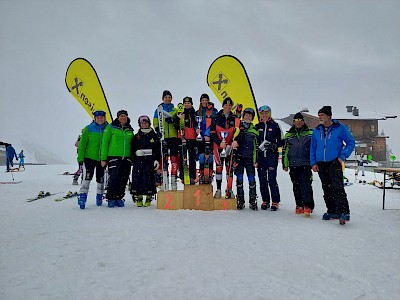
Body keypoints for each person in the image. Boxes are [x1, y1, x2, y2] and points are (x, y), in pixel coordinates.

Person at [310, 106, 355, 224]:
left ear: (329, 116)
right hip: (321, 164)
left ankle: (343, 212)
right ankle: (332, 211)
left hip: (334, 162)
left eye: (322, 115)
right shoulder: (317, 130)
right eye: (319, 115)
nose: (320, 117)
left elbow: (350, 142)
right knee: (326, 188)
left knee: (337, 187)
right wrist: (313, 162)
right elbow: (313, 147)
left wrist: (343, 156)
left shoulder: (340, 128)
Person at [282, 112, 315, 216]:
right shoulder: (288, 135)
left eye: (300, 120)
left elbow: (313, 149)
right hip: (293, 164)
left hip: (305, 164)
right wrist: (285, 164)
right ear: (293, 122)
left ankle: (308, 206)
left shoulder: (310, 133)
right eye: (296, 121)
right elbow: (285, 150)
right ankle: (299, 205)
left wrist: (314, 162)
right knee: (296, 185)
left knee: (306, 185)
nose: (298, 123)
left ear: (303, 121)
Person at [101, 110, 134, 208]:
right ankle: (111, 198)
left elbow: (132, 145)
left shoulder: (129, 129)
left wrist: (132, 158)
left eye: (125, 116)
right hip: (114, 157)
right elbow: (105, 143)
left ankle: (119, 197)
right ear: (118, 117)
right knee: (114, 178)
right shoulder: (110, 128)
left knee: (123, 179)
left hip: (126, 158)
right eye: (121, 116)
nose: (123, 118)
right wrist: (103, 159)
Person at [76, 110, 108, 209]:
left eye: (102, 117)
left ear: (104, 118)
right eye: (98, 117)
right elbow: (82, 145)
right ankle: (82, 196)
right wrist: (80, 159)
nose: (100, 119)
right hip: (89, 158)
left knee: (101, 179)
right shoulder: (88, 128)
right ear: (94, 118)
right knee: (87, 178)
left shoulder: (108, 128)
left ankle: (99, 196)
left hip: (102, 159)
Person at [209, 97, 240, 198]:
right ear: (223, 106)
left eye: (230, 105)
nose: (228, 107)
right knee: (219, 168)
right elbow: (212, 133)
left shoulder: (235, 118)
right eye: (226, 105)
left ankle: (229, 189)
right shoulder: (216, 117)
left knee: (229, 169)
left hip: (229, 147)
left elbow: (240, 131)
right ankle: (218, 190)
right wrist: (219, 142)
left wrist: (236, 141)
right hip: (218, 147)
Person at [255, 105, 284, 211]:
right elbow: (254, 142)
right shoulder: (257, 126)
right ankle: (265, 200)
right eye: (262, 113)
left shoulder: (276, 126)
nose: (264, 115)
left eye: (266, 113)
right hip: (261, 157)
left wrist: (274, 146)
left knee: (271, 179)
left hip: (272, 156)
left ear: (270, 113)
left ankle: (275, 201)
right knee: (262, 179)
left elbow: (282, 141)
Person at [131, 115, 161, 207]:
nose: (144, 124)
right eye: (142, 123)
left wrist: (157, 160)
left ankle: (149, 196)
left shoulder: (154, 136)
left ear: (149, 123)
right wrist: (136, 152)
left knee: (149, 178)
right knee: (138, 178)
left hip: (150, 161)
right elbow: (132, 148)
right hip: (138, 161)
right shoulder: (136, 136)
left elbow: (157, 149)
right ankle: (139, 197)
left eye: (146, 122)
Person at [153, 90, 179, 190]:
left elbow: (178, 122)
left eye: (169, 97)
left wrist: (173, 120)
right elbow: (155, 121)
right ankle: (164, 179)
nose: (167, 99)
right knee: (164, 158)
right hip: (163, 137)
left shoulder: (175, 110)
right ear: (163, 99)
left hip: (173, 137)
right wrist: (157, 130)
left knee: (173, 159)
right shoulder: (158, 110)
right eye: (166, 97)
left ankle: (173, 180)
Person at [233, 108, 259, 210]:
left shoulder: (254, 130)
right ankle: (240, 200)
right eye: (246, 115)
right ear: (243, 116)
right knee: (239, 179)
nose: (248, 117)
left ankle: (253, 201)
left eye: (250, 116)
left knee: (251, 180)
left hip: (250, 159)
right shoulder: (238, 128)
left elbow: (256, 147)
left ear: (252, 118)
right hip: (239, 158)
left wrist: (255, 160)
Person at [196, 94, 218, 184]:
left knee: (210, 155)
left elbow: (215, 123)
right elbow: (194, 123)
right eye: (203, 100)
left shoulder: (214, 111)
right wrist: (196, 129)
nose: (205, 102)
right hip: (200, 136)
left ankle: (210, 172)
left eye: (206, 100)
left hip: (211, 135)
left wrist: (207, 133)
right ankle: (201, 173)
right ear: (201, 101)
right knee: (201, 155)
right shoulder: (198, 112)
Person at [176, 96, 199, 184]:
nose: (187, 105)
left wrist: (197, 131)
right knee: (183, 157)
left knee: (192, 157)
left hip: (192, 138)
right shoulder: (180, 113)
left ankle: (192, 175)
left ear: (191, 104)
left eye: (188, 103)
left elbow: (197, 125)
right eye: (185, 103)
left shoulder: (194, 113)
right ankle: (182, 174)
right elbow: (176, 126)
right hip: (182, 138)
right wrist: (178, 118)